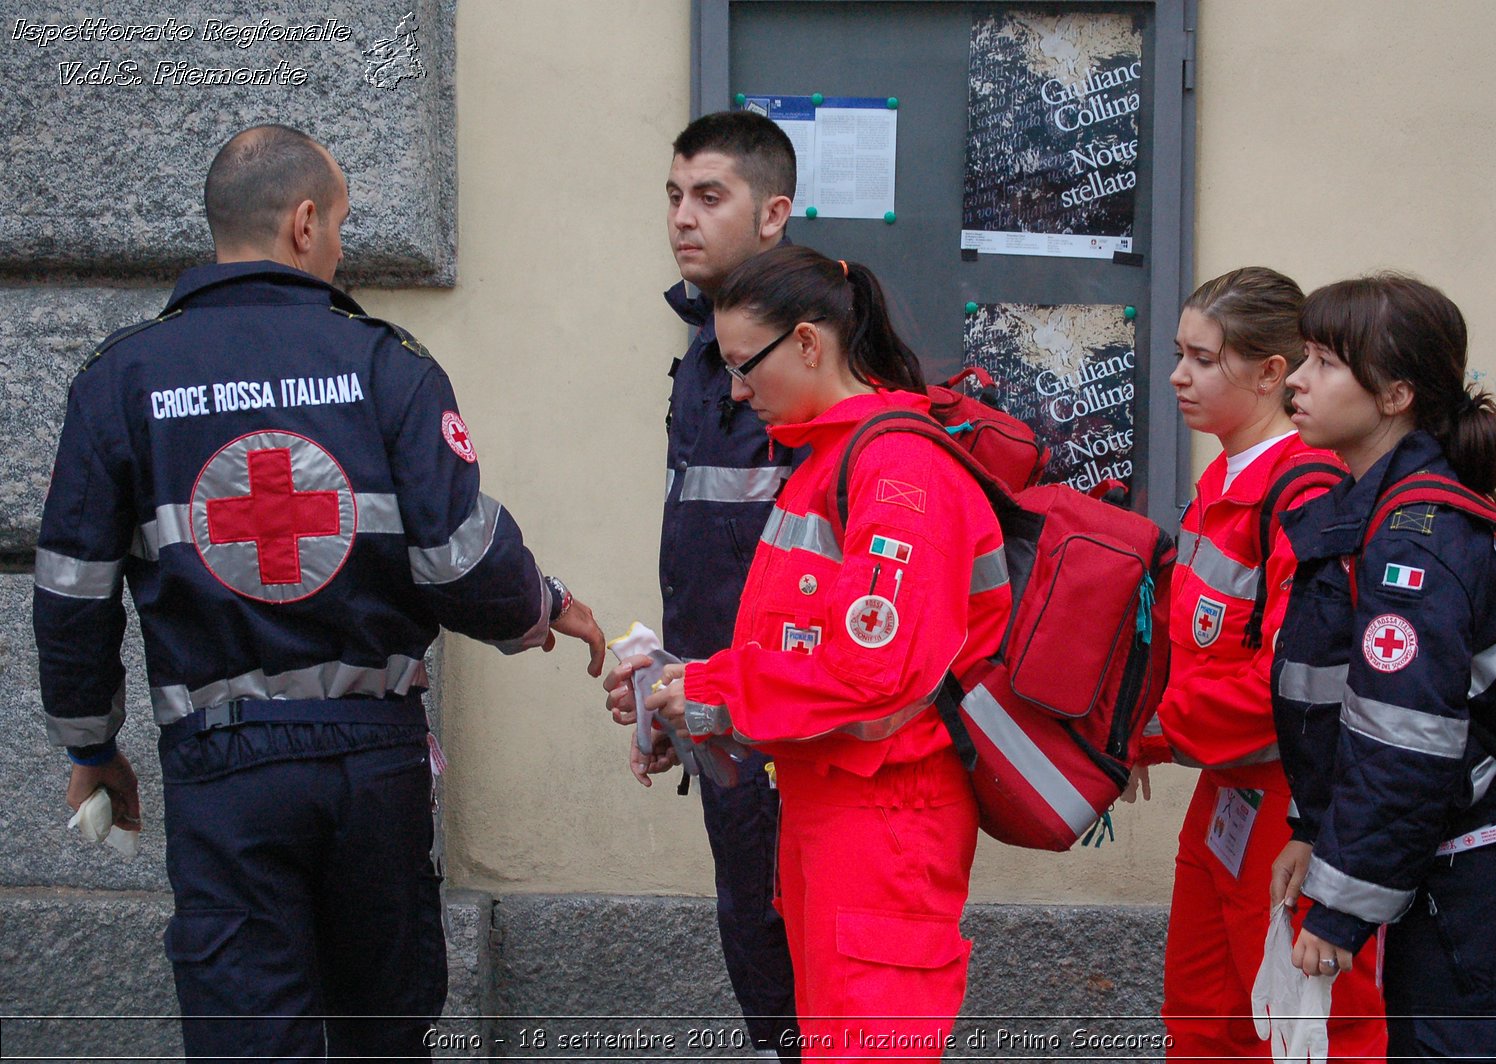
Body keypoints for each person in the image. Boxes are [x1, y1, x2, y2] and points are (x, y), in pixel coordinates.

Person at [31, 124, 606, 1060]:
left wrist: (92, 744)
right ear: (304, 224)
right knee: (383, 1030)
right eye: (340, 220)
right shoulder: (388, 365)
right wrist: (542, 605)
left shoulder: (120, 380)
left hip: (224, 774)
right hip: (371, 767)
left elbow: (71, 596)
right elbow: (461, 559)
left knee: (251, 1035)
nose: (341, 242)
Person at [643, 245, 1010, 1060]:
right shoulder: (832, 463)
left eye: (744, 366)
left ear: (808, 344)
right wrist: (692, 703)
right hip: (834, 808)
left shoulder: (893, 467)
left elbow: (872, 670)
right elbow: (802, 654)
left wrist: (709, 688)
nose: (735, 391)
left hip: (884, 820)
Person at [1270, 274, 1496, 1060]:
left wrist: (1342, 913)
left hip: (1487, 895)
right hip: (1467, 881)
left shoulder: (1416, 540)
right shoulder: (1383, 510)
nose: (1298, 380)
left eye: (1324, 361)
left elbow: (1404, 745)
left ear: (1396, 395)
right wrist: (1314, 830)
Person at [1134, 268, 1386, 1060]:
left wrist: (1152, 724)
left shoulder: (1301, 493)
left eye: (1204, 359)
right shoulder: (1227, 478)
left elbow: (1291, 679)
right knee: (1206, 1017)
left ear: (1272, 372)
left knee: (1309, 1029)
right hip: (1227, 792)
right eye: (1180, 353)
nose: (1178, 375)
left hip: (1289, 799)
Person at [603, 110, 801, 1058]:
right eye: (674, 196)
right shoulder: (701, 350)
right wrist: (668, 685)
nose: (683, 217)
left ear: (774, 215)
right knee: (751, 925)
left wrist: (731, 689)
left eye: (709, 197)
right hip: (720, 705)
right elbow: (716, 542)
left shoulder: (810, 349)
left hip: (793, 722)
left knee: (791, 929)